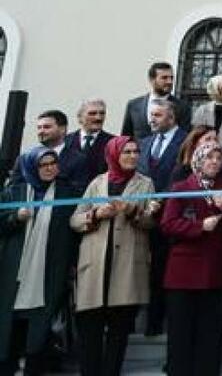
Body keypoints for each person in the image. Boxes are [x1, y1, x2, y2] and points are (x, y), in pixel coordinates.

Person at [71, 136, 158, 376]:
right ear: (113, 154)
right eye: (126, 152)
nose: (132, 156)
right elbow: (75, 219)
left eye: (135, 151)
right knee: (90, 332)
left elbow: (152, 222)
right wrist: (96, 214)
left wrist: (131, 210)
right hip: (95, 266)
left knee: (119, 334)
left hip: (127, 268)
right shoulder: (97, 183)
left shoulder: (146, 184)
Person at [159, 143, 222, 376]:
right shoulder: (181, 188)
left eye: (218, 157)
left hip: (216, 271)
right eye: (209, 157)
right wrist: (198, 226)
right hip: (184, 272)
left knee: (211, 331)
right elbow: (167, 224)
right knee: (181, 331)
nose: (214, 162)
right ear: (197, 160)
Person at [0, 148, 77, 376]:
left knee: (40, 329)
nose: (50, 168)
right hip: (13, 272)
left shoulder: (67, 194)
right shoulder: (13, 192)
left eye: (53, 163)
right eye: (44, 165)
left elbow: (73, 233)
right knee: (9, 328)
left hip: (48, 271)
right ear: (31, 167)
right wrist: (15, 218)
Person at [136, 100, 188, 337]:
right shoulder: (144, 143)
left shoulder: (185, 141)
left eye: (157, 115)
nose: (152, 120)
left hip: (172, 214)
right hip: (144, 217)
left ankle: (157, 322)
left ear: (171, 117)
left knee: (164, 270)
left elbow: (184, 176)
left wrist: (163, 202)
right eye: (151, 115)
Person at [10, 110, 90, 192]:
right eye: (39, 127)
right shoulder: (24, 158)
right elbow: (12, 190)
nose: (41, 131)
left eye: (46, 127)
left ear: (62, 129)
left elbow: (78, 193)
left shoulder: (79, 160)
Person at [121, 62, 192, 140]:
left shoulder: (182, 107)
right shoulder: (134, 105)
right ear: (152, 80)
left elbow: (185, 139)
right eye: (164, 78)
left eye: (171, 78)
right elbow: (125, 137)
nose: (170, 82)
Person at [64, 99, 114, 179]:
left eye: (102, 113)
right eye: (92, 113)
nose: (98, 118)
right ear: (80, 117)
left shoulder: (113, 143)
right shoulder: (65, 141)